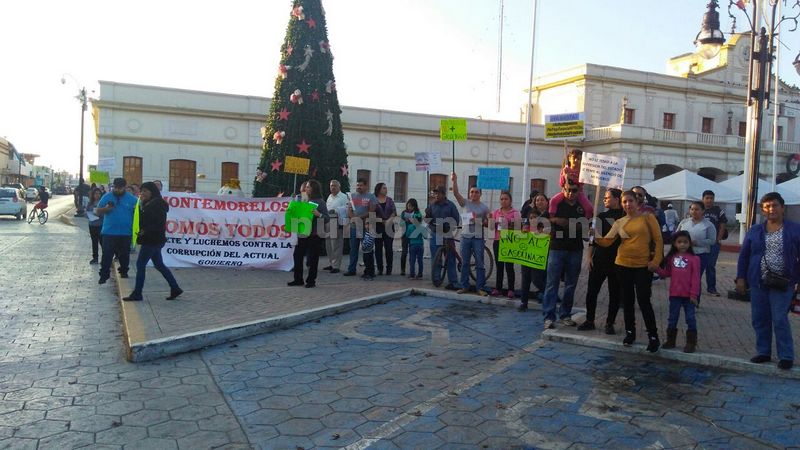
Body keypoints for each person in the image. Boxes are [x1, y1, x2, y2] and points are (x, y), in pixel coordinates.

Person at [736, 192, 800, 371]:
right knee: (760, 319)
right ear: (763, 210)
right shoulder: (755, 230)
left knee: (779, 319)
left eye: (775, 205)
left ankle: (786, 356)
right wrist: (741, 277)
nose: (771, 209)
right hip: (758, 281)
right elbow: (744, 256)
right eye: (767, 206)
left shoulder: (795, 229)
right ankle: (763, 351)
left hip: (783, 283)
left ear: (782, 207)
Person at [595, 190, 663, 352]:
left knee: (644, 301)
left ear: (637, 202)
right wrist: (595, 234)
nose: (627, 204)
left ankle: (653, 336)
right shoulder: (619, 222)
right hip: (622, 265)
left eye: (630, 201)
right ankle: (630, 333)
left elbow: (658, 240)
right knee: (627, 301)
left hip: (643, 266)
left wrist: (656, 261)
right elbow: (607, 242)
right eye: (624, 202)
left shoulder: (648, 218)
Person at [122, 182, 183, 301]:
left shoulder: (157, 204)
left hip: (152, 240)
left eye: (145, 191)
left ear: (152, 191)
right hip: (154, 239)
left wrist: (145, 231)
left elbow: (158, 223)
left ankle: (137, 293)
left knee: (140, 264)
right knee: (159, 264)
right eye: (142, 191)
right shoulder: (149, 203)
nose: (142, 193)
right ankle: (175, 288)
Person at [578, 188, 625, 333]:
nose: (604, 199)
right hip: (599, 259)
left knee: (614, 293)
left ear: (617, 199)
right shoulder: (600, 216)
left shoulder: (624, 217)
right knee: (592, 291)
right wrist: (589, 256)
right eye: (603, 197)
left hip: (618, 260)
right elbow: (593, 239)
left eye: (608, 197)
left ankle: (610, 323)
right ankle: (589, 320)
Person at [542, 182, 587, 329]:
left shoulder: (583, 207)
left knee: (570, 284)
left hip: (575, 249)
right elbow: (540, 220)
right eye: (568, 190)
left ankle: (565, 314)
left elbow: (588, 226)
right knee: (551, 284)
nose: (571, 193)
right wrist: (555, 220)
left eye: (574, 191)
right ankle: (549, 316)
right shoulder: (556, 204)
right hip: (557, 248)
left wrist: (580, 226)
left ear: (578, 192)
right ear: (564, 189)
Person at [654, 231, 700, 353]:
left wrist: (694, 294)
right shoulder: (671, 258)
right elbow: (667, 273)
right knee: (672, 318)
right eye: (679, 242)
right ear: (674, 243)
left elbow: (696, 278)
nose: (683, 245)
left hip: (689, 296)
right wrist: (657, 269)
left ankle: (691, 343)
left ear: (690, 243)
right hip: (674, 295)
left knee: (690, 318)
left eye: (685, 242)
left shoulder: (694, 259)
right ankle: (671, 340)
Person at [451, 173, 489, 296]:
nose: (474, 194)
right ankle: (464, 286)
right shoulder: (465, 203)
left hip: (478, 238)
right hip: (465, 237)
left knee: (480, 263)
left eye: (476, 192)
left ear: (480, 194)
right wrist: (454, 181)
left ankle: (480, 287)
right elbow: (456, 193)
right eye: (472, 192)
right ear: (469, 193)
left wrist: (478, 221)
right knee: (465, 263)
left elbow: (488, 222)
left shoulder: (484, 207)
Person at [95, 178, 139, 284]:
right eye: (116, 187)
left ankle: (124, 271)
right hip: (109, 232)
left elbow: (138, 213)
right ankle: (104, 275)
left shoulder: (132, 199)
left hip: (126, 232)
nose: (117, 190)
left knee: (124, 254)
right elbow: (97, 211)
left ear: (124, 187)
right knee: (107, 255)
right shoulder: (107, 197)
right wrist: (106, 209)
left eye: (120, 188)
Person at [288, 180, 328, 288]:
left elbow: (327, 218)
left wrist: (318, 214)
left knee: (313, 258)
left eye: (308, 187)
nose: (306, 189)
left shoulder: (320, 202)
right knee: (297, 255)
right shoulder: (303, 200)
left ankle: (311, 281)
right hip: (303, 232)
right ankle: (298, 279)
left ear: (314, 188)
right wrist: (293, 204)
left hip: (314, 234)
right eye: (305, 187)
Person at [675, 201, 715, 307]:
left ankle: (694, 301)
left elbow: (712, 240)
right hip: (684, 254)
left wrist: (697, 242)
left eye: (697, 209)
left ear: (703, 211)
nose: (694, 211)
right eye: (692, 209)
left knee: (695, 278)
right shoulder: (684, 222)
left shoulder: (708, 225)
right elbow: (676, 235)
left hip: (701, 255)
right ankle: (683, 300)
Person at [425, 185, 460, 289]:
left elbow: (456, 219)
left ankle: (453, 281)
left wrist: (450, 226)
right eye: (435, 193)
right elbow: (427, 220)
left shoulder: (451, 205)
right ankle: (436, 278)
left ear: (443, 194)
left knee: (450, 258)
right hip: (436, 233)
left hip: (447, 233)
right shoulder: (431, 205)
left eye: (438, 193)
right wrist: (427, 216)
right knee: (436, 258)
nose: (436, 195)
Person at [518, 199, 549, 311]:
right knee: (525, 280)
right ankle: (523, 302)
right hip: (526, 258)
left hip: (538, 259)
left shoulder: (543, 230)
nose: (532, 220)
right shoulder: (525, 229)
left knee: (537, 279)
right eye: (530, 218)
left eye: (535, 217)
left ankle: (549, 295)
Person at [344, 178, 377, 279]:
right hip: (354, 227)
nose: (358, 187)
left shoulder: (371, 197)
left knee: (367, 249)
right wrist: (353, 217)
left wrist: (359, 218)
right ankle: (351, 269)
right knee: (353, 249)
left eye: (361, 185)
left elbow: (372, 211)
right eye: (357, 185)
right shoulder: (352, 196)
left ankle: (369, 271)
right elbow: (349, 209)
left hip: (366, 227)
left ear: (366, 186)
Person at [491, 191, 521, 298]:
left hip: (509, 241)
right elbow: (490, 227)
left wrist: (508, 225)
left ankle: (511, 289)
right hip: (498, 241)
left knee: (509, 266)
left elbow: (518, 228)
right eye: (502, 199)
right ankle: (498, 288)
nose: (504, 201)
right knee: (499, 266)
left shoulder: (515, 213)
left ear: (510, 200)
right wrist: (492, 223)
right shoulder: (496, 212)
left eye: (506, 199)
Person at [548, 149, 593, 219]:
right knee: (553, 201)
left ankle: (587, 221)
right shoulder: (565, 169)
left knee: (589, 207)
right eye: (574, 158)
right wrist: (564, 176)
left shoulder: (582, 172)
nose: (576, 161)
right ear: (569, 158)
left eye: (579, 159)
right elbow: (561, 183)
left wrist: (572, 178)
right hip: (565, 192)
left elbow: (581, 183)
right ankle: (552, 217)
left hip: (578, 193)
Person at [702, 190, 728, 297]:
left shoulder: (718, 211)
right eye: (707, 198)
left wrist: (718, 238)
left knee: (710, 266)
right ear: (702, 199)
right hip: (700, 243)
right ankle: (693, 288)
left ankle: (711, 288)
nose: (709, 200)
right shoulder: (698, 209)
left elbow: (722, 225)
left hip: (713, 243)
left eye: (711, 198)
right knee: (696, 266)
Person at [324, 179, 348, 274]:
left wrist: (336, 210)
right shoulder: (329, 197)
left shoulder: (343, 197)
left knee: (336, 245)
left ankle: (336, 265)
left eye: (334, 185)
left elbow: (346, 208)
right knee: (328, 244)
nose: (332, 187)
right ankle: (331, 263)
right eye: (331, 186)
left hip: (336, 221)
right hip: (327, 220)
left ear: (339, 187)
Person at [373, 182, 397, 276]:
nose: (386, 189)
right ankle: (380, 268)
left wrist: (388, 221)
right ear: (379, 190)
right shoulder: (374, 200)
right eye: (384, 188)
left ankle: (389, 268)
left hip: (389, 227)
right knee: (378, 249)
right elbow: (371, 214)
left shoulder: (390, 200)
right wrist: (382, 221)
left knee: (389, 248)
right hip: (378, 227)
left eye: (386, 188)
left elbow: (394, 212)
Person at [403, 199, 425, 279]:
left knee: (412, 260)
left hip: (412, 245)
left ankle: (412, 274)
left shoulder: (410, 226)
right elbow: (425, 235)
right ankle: (420, 274)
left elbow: (407, 235)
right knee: (420, 260)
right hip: (420, 245)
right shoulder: (421, 227)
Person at [86, 188, 104, 265]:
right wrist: (88, 215)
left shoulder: (103, 203)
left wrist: (99, 214)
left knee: (102, 242)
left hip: (100, 224)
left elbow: (105, 213)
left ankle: (105, 257)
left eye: (99, 193)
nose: (97, 195)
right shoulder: (90, 203)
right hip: (92, 224)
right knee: (94, 242)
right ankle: (95, 258)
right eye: (95, 193)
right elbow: (86, 212)